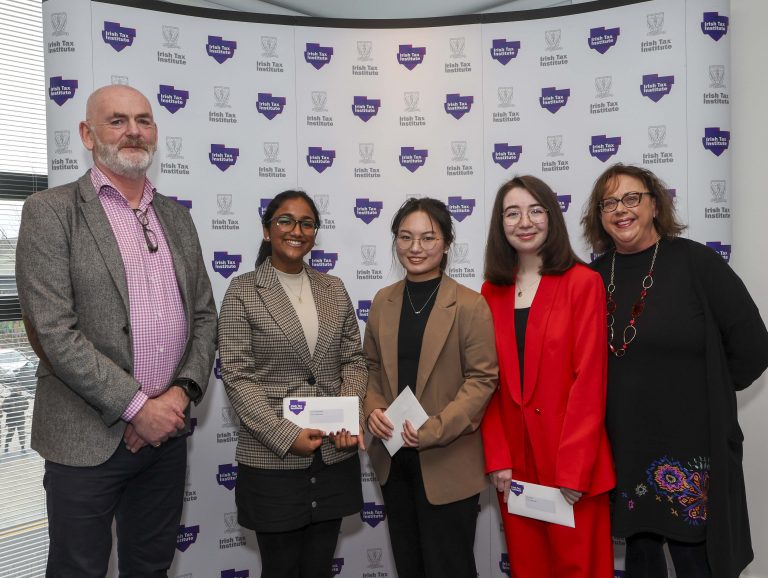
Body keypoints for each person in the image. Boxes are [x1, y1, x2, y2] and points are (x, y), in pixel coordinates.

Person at [15, 85, 217, 577]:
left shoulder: (177, 217)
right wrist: (136, 408)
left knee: (150, 567)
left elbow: (205, 317)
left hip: (165, 438)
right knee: (77, 570)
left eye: (144, 120)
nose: (133, 131)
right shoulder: (50, 211)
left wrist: (177, 396)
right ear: (87, 134)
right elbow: (54, 332)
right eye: (117, 120)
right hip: (85, 439)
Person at [581, 163, 768, 578]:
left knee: (696, 563)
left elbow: (753, 345)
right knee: (641, 561)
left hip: (690, 451)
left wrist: (710, 391)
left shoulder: (696, 263)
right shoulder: (592, 278)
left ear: (654, 205)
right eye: (608, 202)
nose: (620, 209)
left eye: (632, 198)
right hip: (623, 449)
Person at [218, 190, 367, 578]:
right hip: (273, 459)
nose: (296, 230)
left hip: (334, 454)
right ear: (267, 230)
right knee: (280, 570)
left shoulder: (333, 288)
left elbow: (353, 359)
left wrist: (346, 419)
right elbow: (237, 375)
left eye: (306, 223)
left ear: (315, 233)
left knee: (319, 568)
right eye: (285, 220)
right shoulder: (243, 290)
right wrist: (286, 435)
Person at [481, 175, 615, 577]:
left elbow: (589, 381)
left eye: (535, 210)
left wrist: (574, 471)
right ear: (500, 224)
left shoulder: (583, 283)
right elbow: (486, 382)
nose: (525, 221)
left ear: (552, 217)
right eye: (512, 212)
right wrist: (498, 457)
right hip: (515, 472)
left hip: (571, 470)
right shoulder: (491, 292)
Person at [363, 197, 497, 578]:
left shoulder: (470, 305)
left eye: (427, 237)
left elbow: (482, 378)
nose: (416, 247)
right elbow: (369, 365)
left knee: (449, 567)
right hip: (394, 461)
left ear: (447, 242)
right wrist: (372, 407)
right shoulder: (382, 301)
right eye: (406, 237)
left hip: (448, 458)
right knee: (410, 566)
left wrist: (435, 429)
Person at [2, 389, 29, 453]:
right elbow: (4, 408)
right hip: (11, 419)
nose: (18, 392)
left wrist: (21, 407)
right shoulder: (7, 399)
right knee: (10, 433)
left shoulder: (22, 398)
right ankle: (6, 446)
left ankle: (22, 447)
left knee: (21, 433)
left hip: (20, 419)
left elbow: (27, 406)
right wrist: (11, 409)